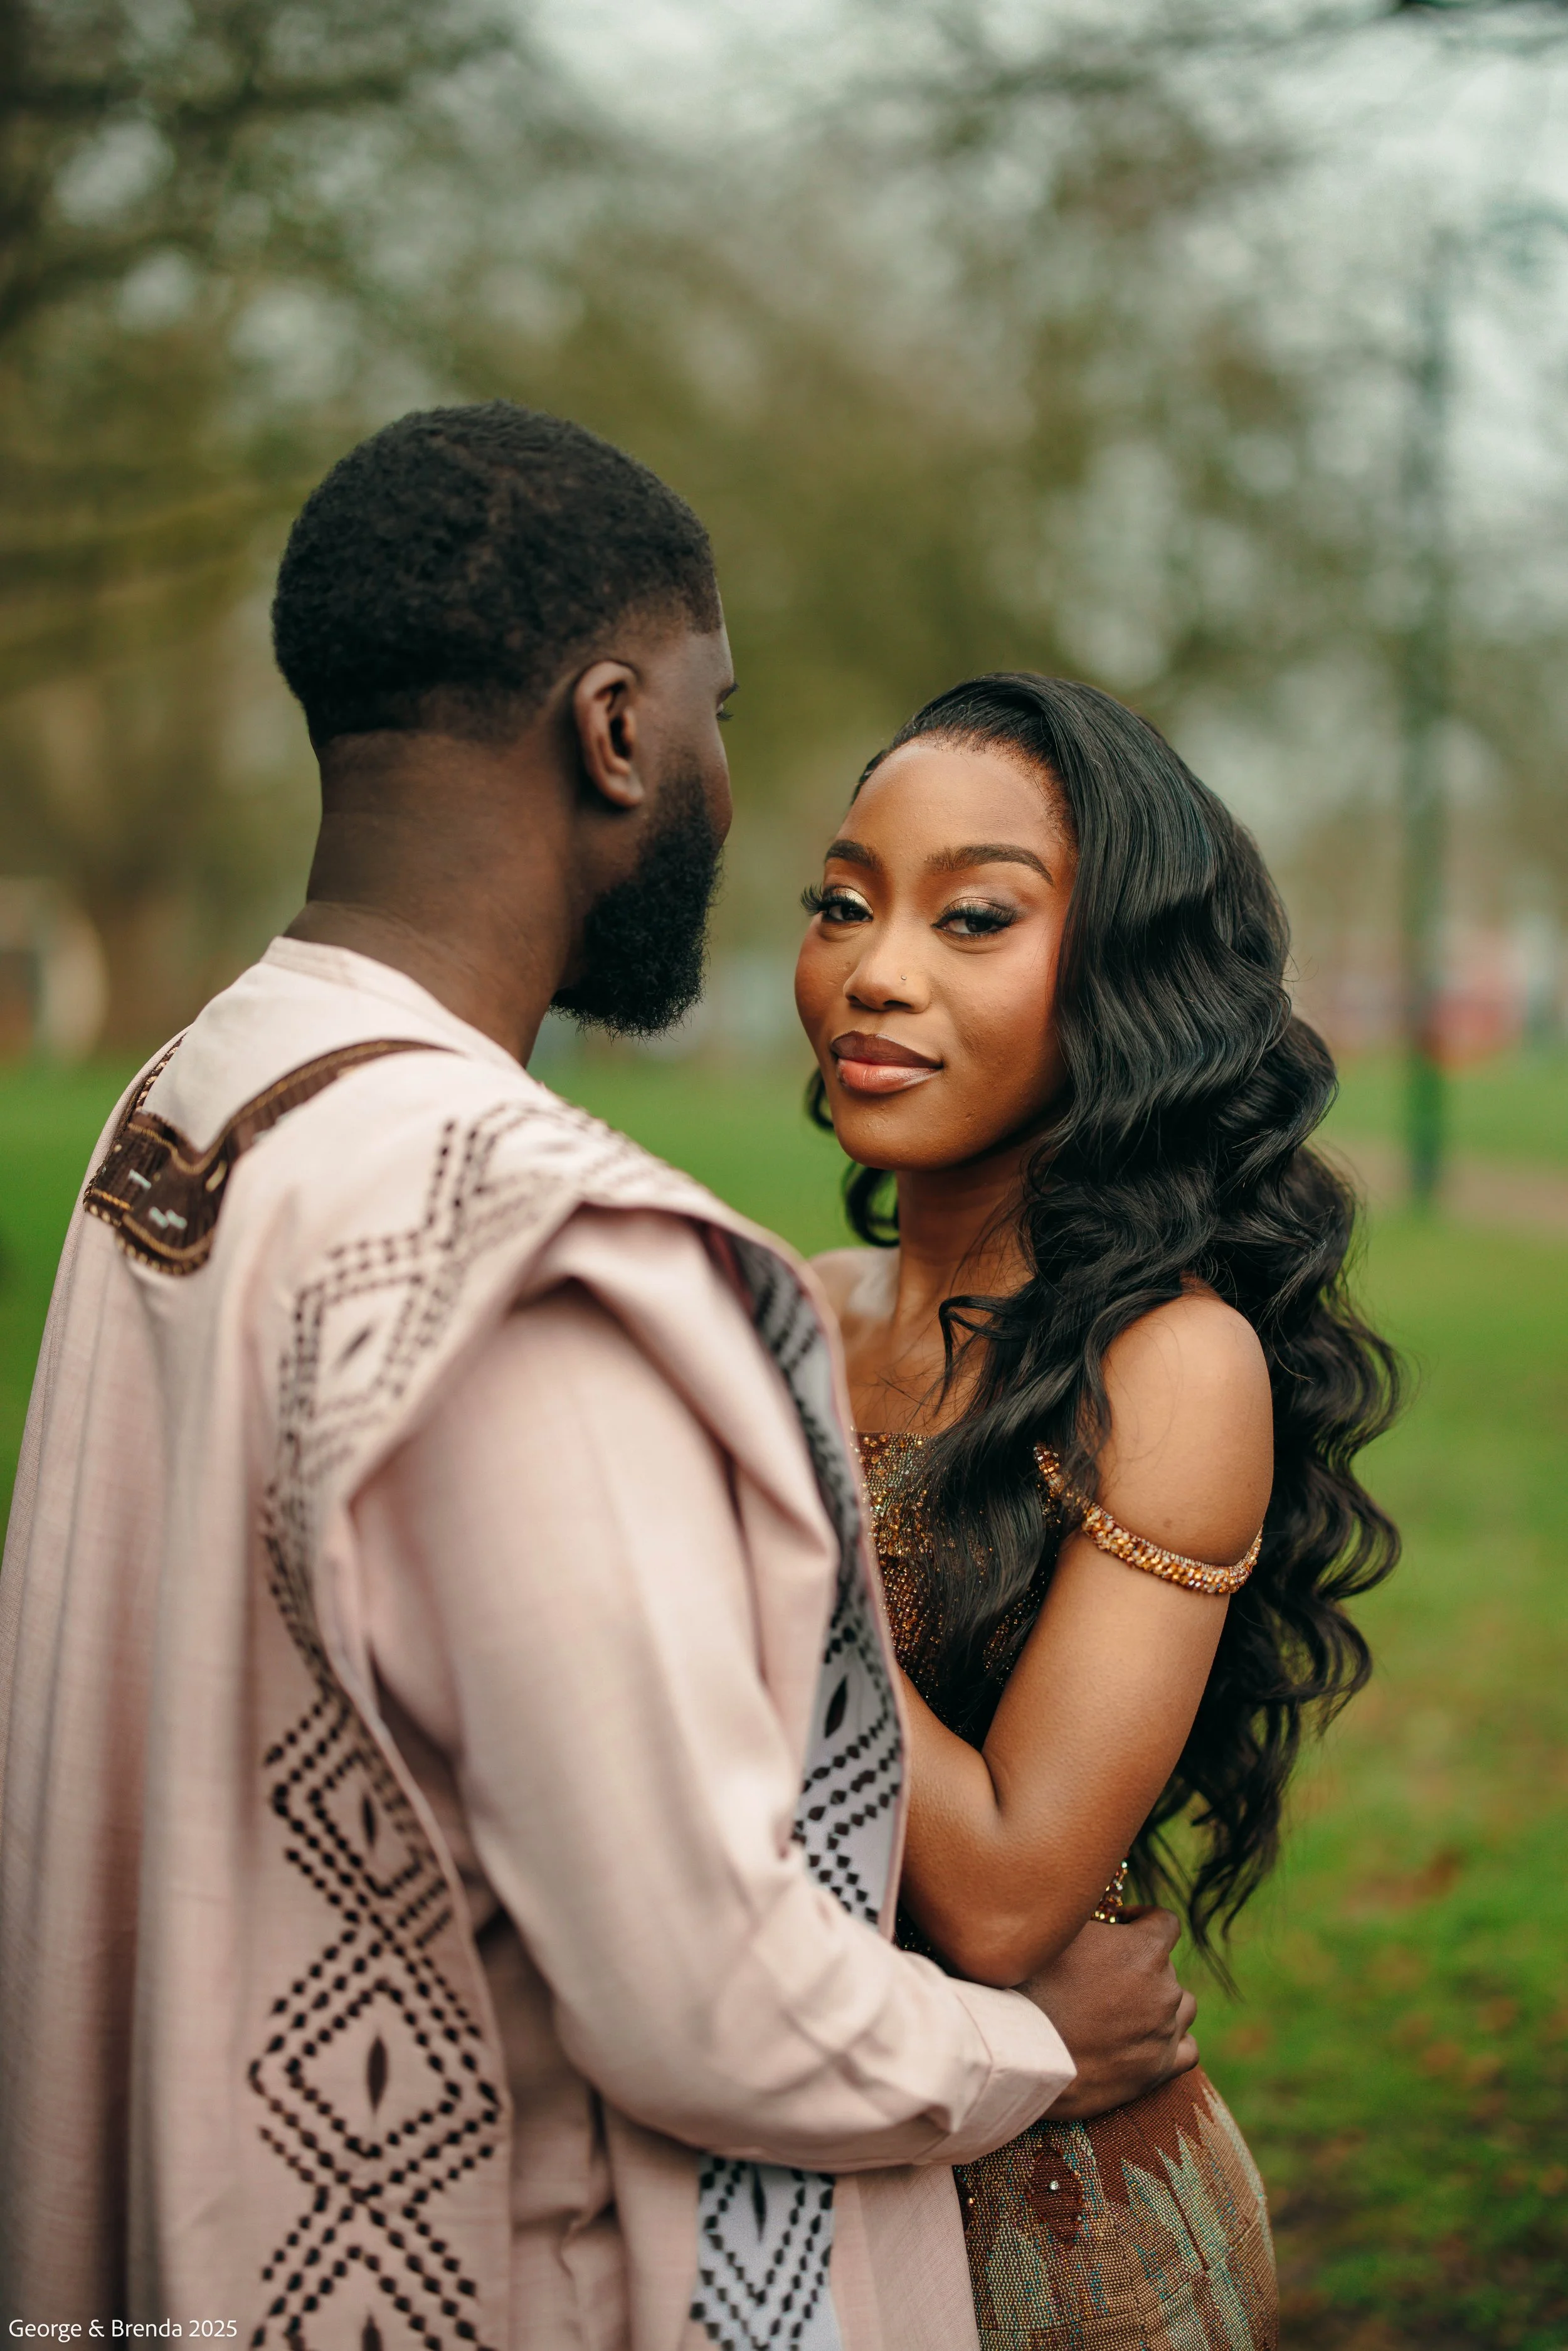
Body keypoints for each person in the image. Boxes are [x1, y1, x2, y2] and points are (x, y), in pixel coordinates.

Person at [0, 411, 1200, 2350]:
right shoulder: (536, 1255)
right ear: (617, 730)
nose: (724, 782)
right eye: (715, 716)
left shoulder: (197, 1103)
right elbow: (704, 1994)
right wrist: (1027, 2046)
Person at [795, 674, 1402, 2349]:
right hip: (795, 2190)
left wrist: (753, 1545)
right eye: (841, 902)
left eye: (970, 914)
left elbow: (999, 1894)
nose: (874, 968)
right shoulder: (789, 1311)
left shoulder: (1170, 1366)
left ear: (1122, 986)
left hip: (1065, 2245)